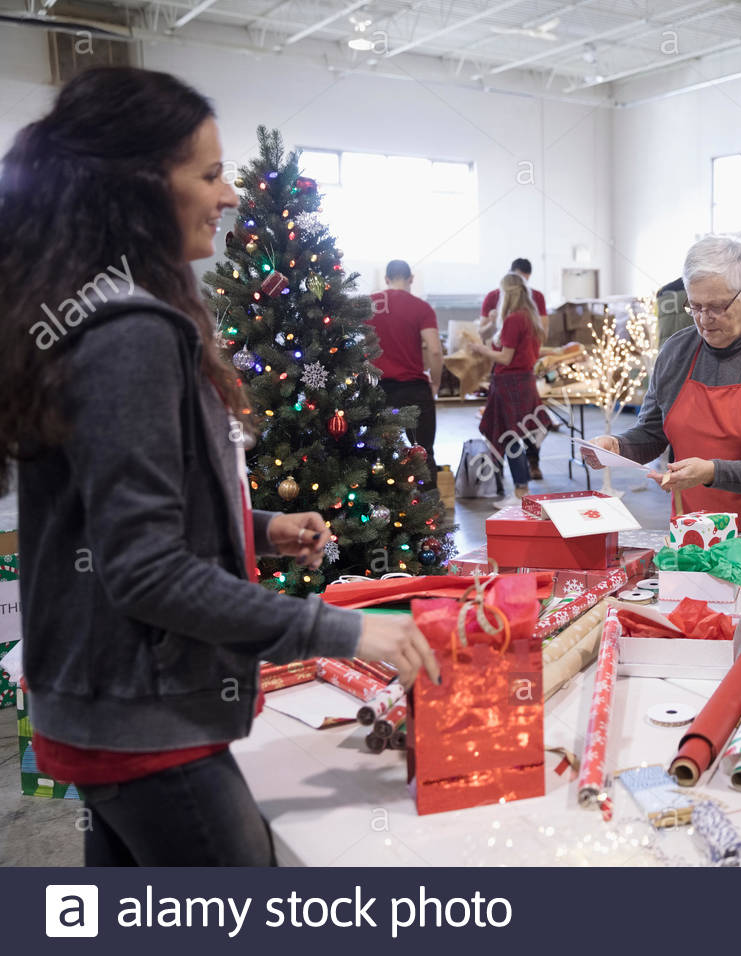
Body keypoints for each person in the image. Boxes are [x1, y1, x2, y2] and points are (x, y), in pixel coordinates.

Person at [0, 67, 438, 866]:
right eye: (208, 174)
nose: (229, 194)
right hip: (143, 719)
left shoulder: (89, 309)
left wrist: (260, 528)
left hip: (99, 708)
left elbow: (118, 507)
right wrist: (339, 629)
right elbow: (144, 570)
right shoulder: (129, 331)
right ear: (137, 189)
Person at [589, 236, 741, 570]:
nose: (705, 318)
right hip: (698, 530)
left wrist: (710, 471)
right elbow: (651, 433)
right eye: (695, 306)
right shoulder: (676, 353)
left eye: (718, 306)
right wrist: (617, 447)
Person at [471, 273, 546, 506]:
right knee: (515, 436)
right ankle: (519, 488)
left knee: (510, 437)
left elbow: (505, 356)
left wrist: (480, 350)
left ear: (507, 293)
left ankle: (520, 492)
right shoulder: (531, 318)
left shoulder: (514, 319)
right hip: (524, 381)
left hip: (510, 384)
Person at [368, 259, 442, 465]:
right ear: (411, 279)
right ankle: (427, 496)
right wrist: (435, 383)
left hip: (378, 389)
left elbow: (360, 344)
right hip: (414, 389)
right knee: (423, 454)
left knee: (375, 456)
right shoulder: (422, 308)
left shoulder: (370, 304)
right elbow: (435, 350)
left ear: (386, 279)